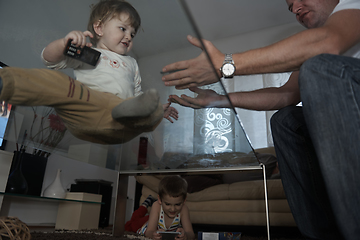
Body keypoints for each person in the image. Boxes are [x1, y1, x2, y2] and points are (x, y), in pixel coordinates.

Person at [161, 0, 360, 239]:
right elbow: (285, 95)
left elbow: (329, 41)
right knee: (285, 120)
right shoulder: (317, 47)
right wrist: (219, 100)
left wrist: (225, 64)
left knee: (317, 65)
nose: (295, 9)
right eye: (290, 7)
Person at [0, 0, 178, 145]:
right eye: (123, 29)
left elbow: (137, 95)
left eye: (133, 34)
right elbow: (49, 59)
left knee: (144, 106)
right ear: (99, 28)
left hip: (120, 121)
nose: (129, 37)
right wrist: (64, 44)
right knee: (59, 82)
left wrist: (158, 110)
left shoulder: (132, 62)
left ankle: (144, 113)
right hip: (88, 108)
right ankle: (8, 83)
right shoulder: (88, 52)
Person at [125, 175, 195, 240]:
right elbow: (149, 232)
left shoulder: (184, 209)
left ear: (184, 201)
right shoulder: (156, 206)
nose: (173, 209)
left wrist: (186, 236)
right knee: (131, 225)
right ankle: (145, 204)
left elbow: (191, 234)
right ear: (160, 200)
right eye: (167, 204)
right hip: (145, 228)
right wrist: (153, 235)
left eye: (178, 204)